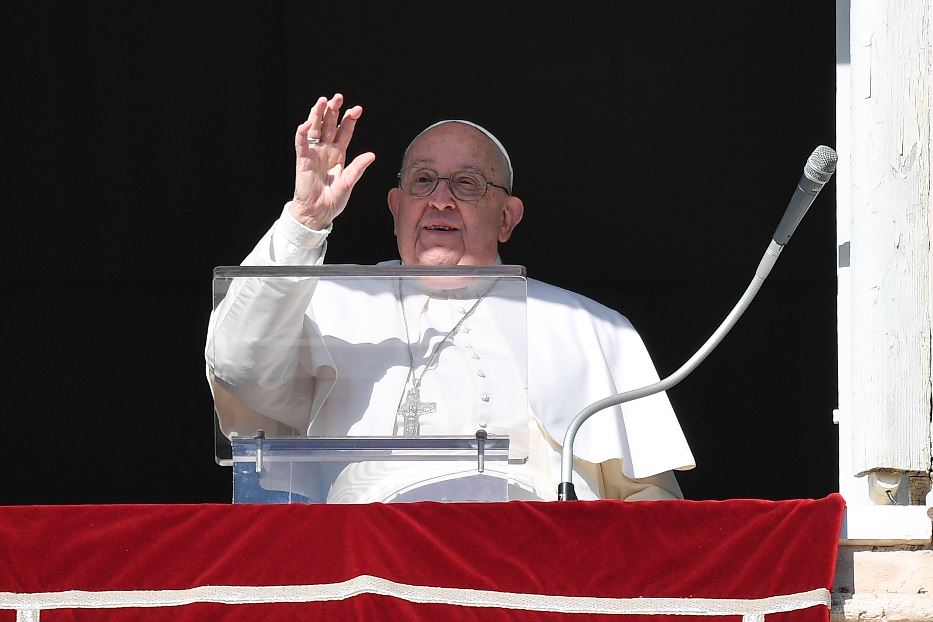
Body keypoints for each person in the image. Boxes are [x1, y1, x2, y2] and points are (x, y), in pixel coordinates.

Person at [206, 93, 695, 502]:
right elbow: (238, 366)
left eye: (467, 184)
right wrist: (304, 221)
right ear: (397, 209)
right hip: (368, 567)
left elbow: (646, 500)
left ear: (507, 218)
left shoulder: (589, 327)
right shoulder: (326, 301)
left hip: (536, 567)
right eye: (422, 181)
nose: (440, 199)